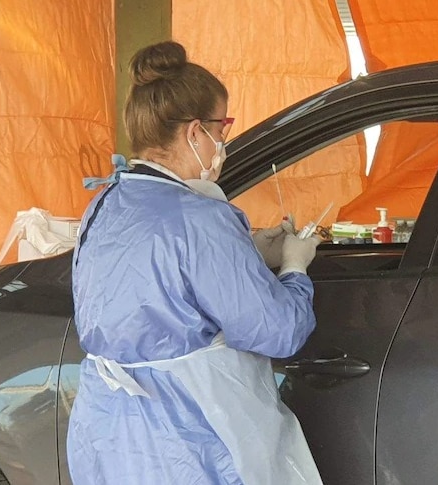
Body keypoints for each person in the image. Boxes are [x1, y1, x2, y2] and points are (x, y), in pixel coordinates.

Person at [67, 41, 324, 485]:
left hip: (106, 432)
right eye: (222, 132)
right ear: (195, 133)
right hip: (187, 439)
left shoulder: (105, 203)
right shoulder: (201, 217)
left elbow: (158, 278)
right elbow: (279, 331)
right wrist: (294, 268)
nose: (222, 144)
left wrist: (245, 250)